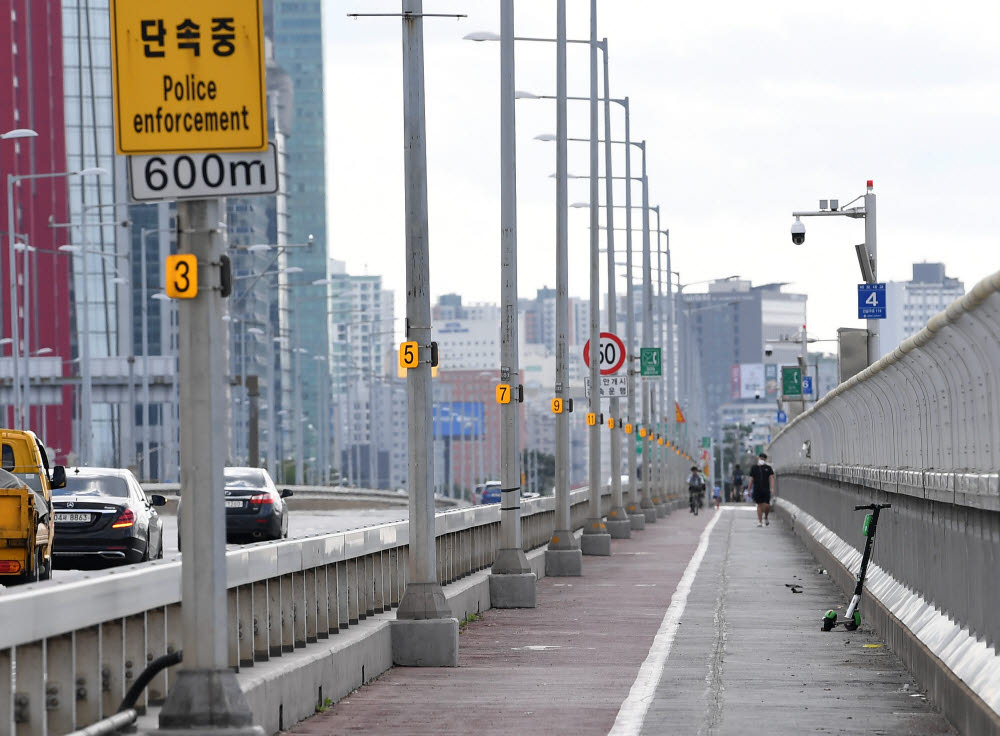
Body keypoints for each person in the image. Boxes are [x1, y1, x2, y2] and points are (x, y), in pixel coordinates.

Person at [748, 452, 775, 526]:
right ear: (759, 458)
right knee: (759, 505)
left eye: (763, 458)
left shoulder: (768, 468)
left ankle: (766, 517)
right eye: (761, 458)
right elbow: (751, 479)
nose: (762, 459)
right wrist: (749, 490)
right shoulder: (754, 468)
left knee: (767, 505)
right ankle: (760, 521)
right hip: (757, 489)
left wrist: (772, 488)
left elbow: (771, 478)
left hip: (766, 489)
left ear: (765, 459)